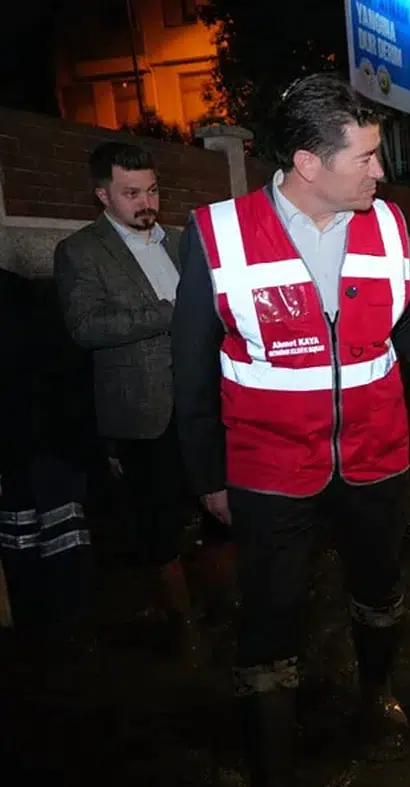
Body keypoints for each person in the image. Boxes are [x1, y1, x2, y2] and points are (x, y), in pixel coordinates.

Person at [170, 74, 410, 787]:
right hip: (266, 469)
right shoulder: (217, 234)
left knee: (380, 589)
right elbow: (189, 370)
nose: (379, 172)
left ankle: (376, 691)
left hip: (373, 454)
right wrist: (207, 478)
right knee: (270, 624)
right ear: (305, 162)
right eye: (364, 157)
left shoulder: (388, 225)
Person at [53, 141, 232, 652]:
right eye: (131, 193)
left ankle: (222, 606)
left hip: (203, 403)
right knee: (158, 523)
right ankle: (186, 626)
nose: (146, 202)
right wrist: (170, 312)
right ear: (102, 195)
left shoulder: (181, 241)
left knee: (220, 505)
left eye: (152, 190)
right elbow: (85, 327)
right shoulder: (80, 251)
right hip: (141, 413)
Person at [0, 267, 97, 646]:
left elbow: (57, 369)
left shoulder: (23, 296)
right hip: (30, 440)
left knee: (56, 535)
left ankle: (62, 626)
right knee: (21, 534)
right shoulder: (22, 293)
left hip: (41, 438)